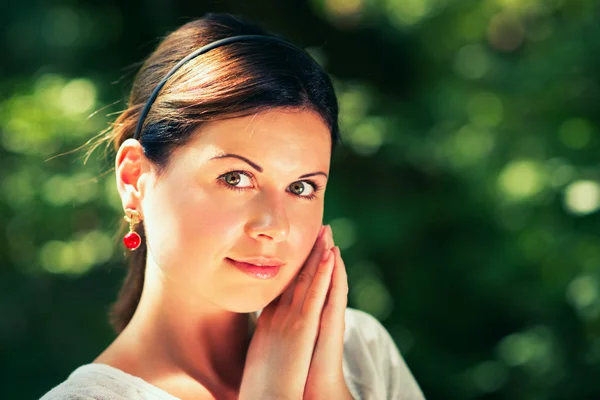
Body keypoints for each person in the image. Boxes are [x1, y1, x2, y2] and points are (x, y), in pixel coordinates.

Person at [40, 12, 425, 400]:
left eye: (302, 186)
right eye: (235, 178)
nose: (274, 226)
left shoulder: (359, 354)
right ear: (134, 178)